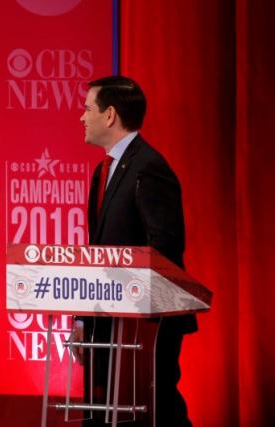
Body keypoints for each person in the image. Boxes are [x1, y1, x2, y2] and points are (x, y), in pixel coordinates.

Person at [77, 76, 196, 426]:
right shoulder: (105, 170)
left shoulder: (148, 167)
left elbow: (166, 248)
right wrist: (84, 317)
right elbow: (98, 255)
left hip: (145, 326)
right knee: (104, 414)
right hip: (109, 324)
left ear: (110, 114)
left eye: (87, 109)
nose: (82, 118)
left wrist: (132, 301)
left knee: (157, 412)